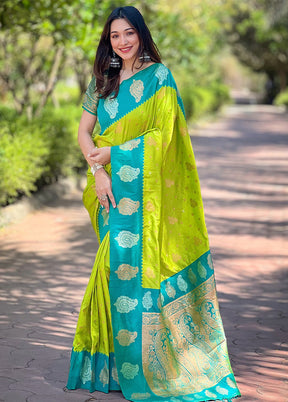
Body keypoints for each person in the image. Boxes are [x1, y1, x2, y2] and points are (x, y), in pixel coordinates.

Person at [66, 6, 241, 402]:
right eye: (115, 36)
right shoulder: (103, 80)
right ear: (107, 41)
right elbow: (83, 131)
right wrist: (98, 172)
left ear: (141, 35)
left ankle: (153, 365)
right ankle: (113, 364)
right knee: (113, 269)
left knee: (137, 270)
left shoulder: (159, 78)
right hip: (110, 189)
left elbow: (168, 137)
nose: (123, 41)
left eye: (129, 33)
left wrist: (116, 155)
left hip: (147, 195)